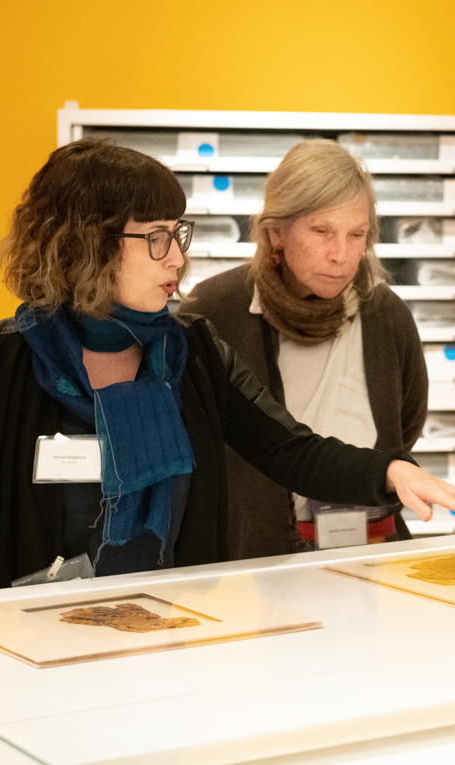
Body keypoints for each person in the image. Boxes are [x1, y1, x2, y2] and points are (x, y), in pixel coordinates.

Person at [0, 139, 455, 597]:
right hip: (28, 645)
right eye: (157, 239)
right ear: (85, 245)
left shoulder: (192, 350)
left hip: (171, 635)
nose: (178, 257)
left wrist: (391, 472)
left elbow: (288, 449)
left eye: (179, 234)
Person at [179, 139, 427, 557]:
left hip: (374, 543)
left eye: (356, 235)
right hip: (257, 554)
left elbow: (408, 420)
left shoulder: (385, 312)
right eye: (321, 232)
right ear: (277, 231)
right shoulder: (215, 310)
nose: (341, 255)